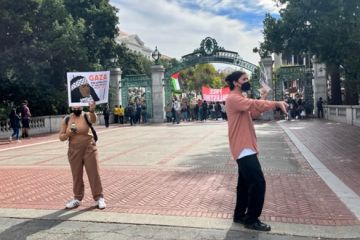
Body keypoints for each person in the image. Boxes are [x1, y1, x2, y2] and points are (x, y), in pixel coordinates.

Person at [224, 71, 288, 232]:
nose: (247, 81)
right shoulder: (233, 98)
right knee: (258, 183)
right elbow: (253, 105)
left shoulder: (240, 99)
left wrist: (264, 97)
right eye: (244, 79)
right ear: (235, 82)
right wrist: (276, 103)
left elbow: (253, 113)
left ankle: (239, 215)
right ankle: (251, 219)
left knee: (244, 185)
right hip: (243, 147)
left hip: (245, 146)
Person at [59, 101, 106, 209]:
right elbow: (61, 137)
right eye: (74, 107)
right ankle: (77, 198)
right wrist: (68, 133)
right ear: (71, 106)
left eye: (78, 106)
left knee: (94, 173)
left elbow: (94, 120)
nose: (76, 108)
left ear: (82, 105)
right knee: (76, 175)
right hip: (73, 150)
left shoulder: (86, 115)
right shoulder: (67, 119)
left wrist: (92, 110)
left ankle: (99, 197)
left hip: (89, 148)